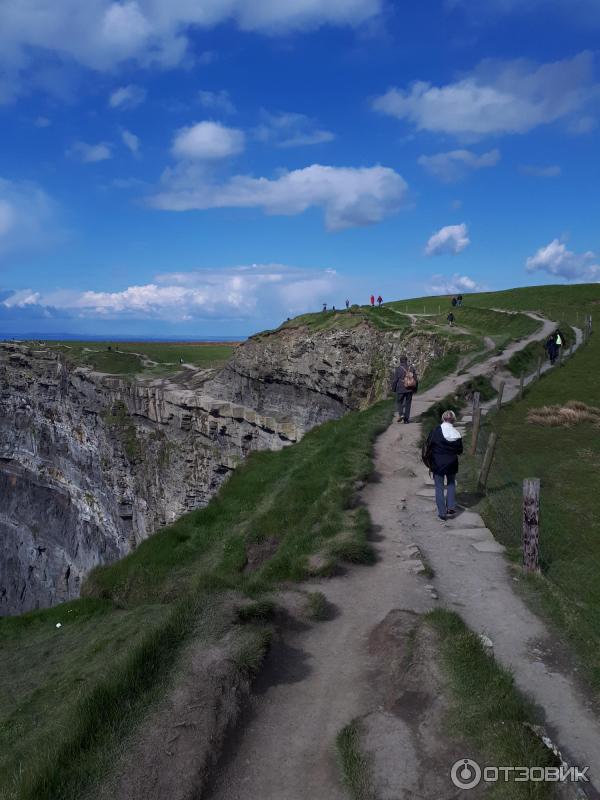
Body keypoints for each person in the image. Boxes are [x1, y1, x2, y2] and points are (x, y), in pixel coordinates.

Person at [425, 410, 463, 521]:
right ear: (454, 420)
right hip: (452, 462)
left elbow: (428, 444)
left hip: (438, 463)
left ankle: (442, 513)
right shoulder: (457, 434)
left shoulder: (436, 431)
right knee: (451, 484)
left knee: (439, 487)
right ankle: (450, 506)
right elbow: (460, 451)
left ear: (443, 418)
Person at [391, 356, 418, 424]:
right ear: (406, 361)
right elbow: (415, 379)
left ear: (400, 361)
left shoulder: (398, 369)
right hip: (409, 389)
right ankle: (406, 420)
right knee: (408, 404)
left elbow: (395, 380)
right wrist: (415, 389)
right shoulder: (411, 368)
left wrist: (393, 389)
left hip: (400, 388)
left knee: (399, 402)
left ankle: (401, 414)